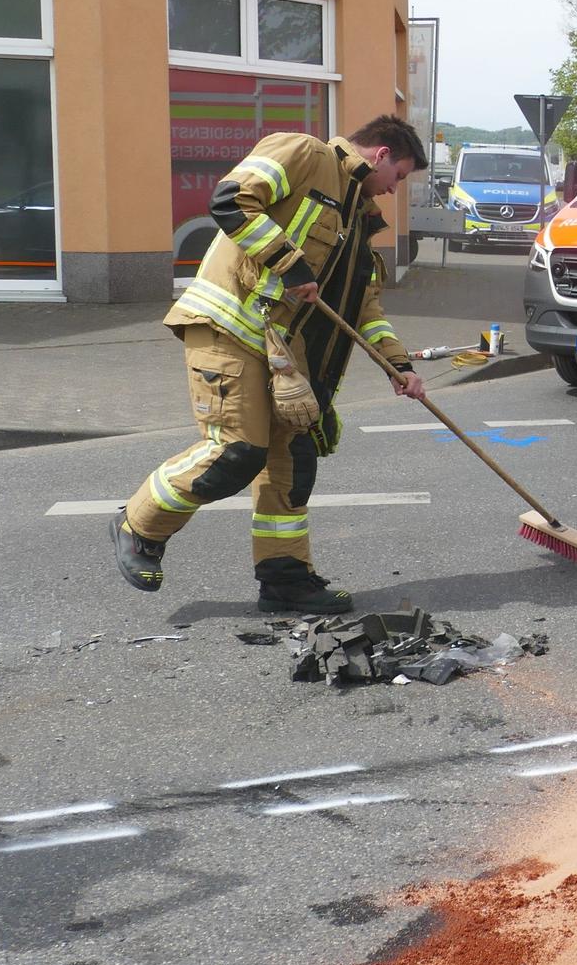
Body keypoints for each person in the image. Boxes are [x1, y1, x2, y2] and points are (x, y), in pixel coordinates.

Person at [111, 115, 430, 615]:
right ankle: (139, 524)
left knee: (293, 461)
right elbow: (232, 199)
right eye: (401, 177)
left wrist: (399, 366)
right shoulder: (304, 153)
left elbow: (365, 312)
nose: (395, 191)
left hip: (285, 359)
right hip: (231, 328)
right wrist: (290, 262)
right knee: (237, 452)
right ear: (381, 155)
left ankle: (285, 580)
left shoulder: (358, 227)